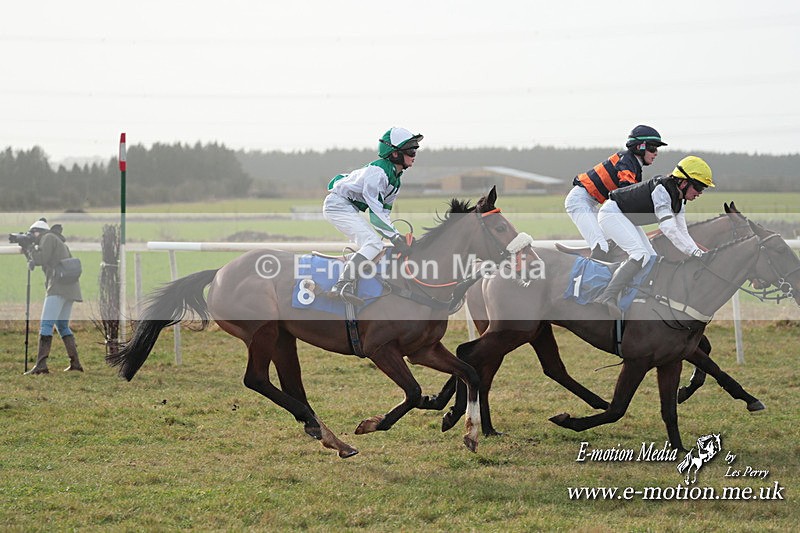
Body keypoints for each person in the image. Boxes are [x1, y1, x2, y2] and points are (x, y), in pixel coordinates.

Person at [594, 155, 714, 318]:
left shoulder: (679, 202)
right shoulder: (662, 190)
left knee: (652, 258)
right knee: (640, 255)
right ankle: (606, 296)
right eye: (698, 187)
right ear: (683, 182)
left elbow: (682, 232)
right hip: (611, 214)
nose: (700, 193)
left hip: (625, 218)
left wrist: (697, 253)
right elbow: (668, 228)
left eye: (703, 189)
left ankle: (636, 296)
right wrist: (695, 253)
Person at [323, 127, 423, 303]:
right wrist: (395, 237)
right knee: (374, 243)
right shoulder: (378, 173)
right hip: (337, 205)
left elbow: (384, 214)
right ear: (395, 154)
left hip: (348, 207)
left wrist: (396, 236)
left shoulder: (395, 179)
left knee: (375, 244)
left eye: (415, 150)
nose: (414, 155)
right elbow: (376, 216)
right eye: (411, 151)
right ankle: (341, 285)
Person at [565, 125, 667, 260]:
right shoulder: (627, 161)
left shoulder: (634, 165)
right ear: (640, 147)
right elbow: (627, 194)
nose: (656, 153)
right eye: (653, 148)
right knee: (601, 248)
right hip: (578, 201)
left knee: (612, 246)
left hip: (592, 203)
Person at [23, 218, 84, 374]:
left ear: (39, 232)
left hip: (58, 287)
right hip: (70, 288)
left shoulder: (48, 237)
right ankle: (75, 364)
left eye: (33, 233)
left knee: (46, 325)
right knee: (62, 326)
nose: (32, 236)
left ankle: (41, 366)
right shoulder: (56, 239)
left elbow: (40, 259)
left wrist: (29, 248)